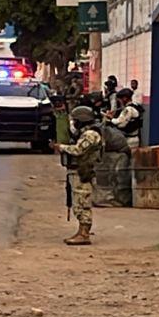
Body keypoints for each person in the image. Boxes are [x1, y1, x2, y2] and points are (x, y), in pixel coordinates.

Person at [54, 105, 104, 245]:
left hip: (83, 171)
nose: (74, 123)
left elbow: (78, 150)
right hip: (78, 170)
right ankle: (81, 231)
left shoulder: (91, 134)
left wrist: (61, 147)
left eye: (75, 120)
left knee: (83, 203)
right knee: (78, 203)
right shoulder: (86, 133)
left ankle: (84, 234)